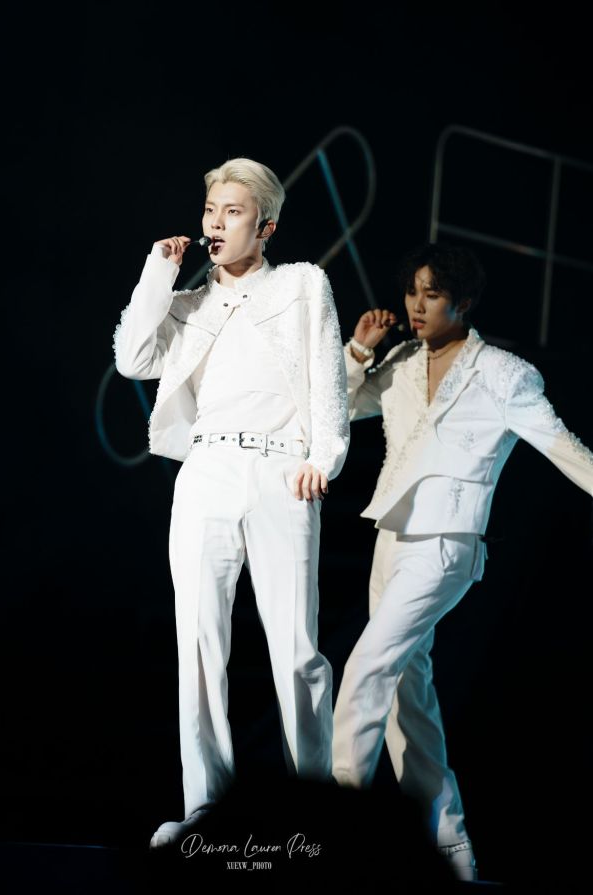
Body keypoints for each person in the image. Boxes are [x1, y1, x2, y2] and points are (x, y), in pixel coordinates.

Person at [332, 243, 593, 880]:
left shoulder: (504, 374)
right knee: (406, 692)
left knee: (366, 667)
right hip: (392, 538)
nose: (416, 306)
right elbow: (338, 408)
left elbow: (563, 447)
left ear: (465, 302)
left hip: (446, 544)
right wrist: (358, 352)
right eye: (412, 292)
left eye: (433, 294)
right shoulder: (399, 361)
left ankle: (330, 829)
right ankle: (449, 845)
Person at [113, 157, 350, 847]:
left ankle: (316, 813)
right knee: (197, 642)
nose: (216, 223)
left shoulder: (302, 284)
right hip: (207, 470)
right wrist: (158, 273)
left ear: (265, 226)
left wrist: (324, 458)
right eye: (210, 210)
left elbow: (328, 378)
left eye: (233, 211)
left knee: (297, 649)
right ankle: (205, 810)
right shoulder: (188, 304)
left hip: (281, 470)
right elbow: (132, 358)